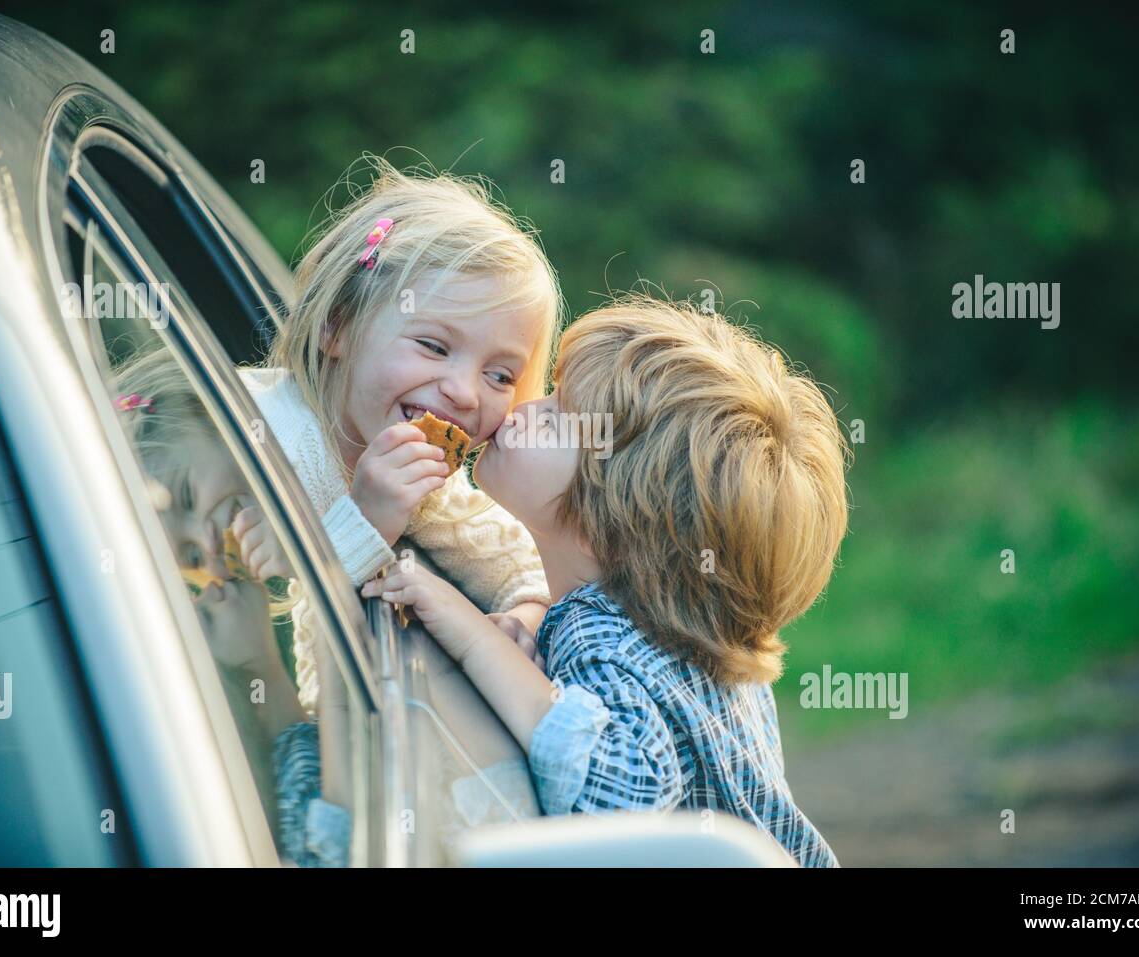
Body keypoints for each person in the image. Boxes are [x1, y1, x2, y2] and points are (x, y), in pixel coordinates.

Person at [364, 295, 848, 867]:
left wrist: (477, 641)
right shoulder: (702, 635)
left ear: (612, 518)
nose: (518, 412)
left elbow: (617, 801)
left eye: (553, 416)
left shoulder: (600, 636)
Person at [241, 157, 563, 715]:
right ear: (336, 326)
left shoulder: (436, 492)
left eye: (501, 375)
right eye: (434, 346)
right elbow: (262, 614)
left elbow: (524, 571)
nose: (465, 393)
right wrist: (364, 519)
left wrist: (519, 623)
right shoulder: (254, 431)